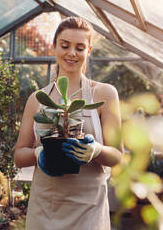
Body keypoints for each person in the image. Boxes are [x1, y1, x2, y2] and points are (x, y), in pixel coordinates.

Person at [14, 16, 123, 230]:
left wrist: (96, 150)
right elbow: (19, 156)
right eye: (65, 45)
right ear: (54, 47)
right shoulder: (37, 99)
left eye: (80, 48)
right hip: (46, 206)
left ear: (88, 51)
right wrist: (38, 154)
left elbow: (118, 156)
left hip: (88, 207)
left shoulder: (104, 94)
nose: (72, 53)